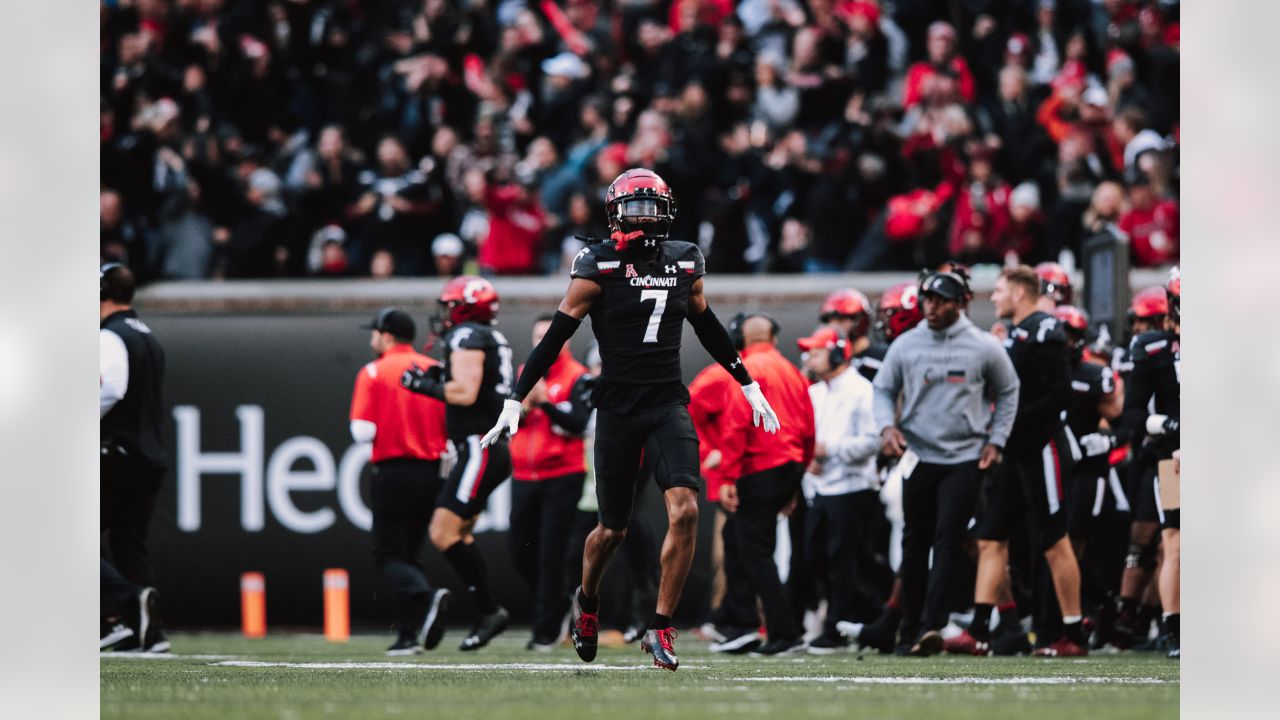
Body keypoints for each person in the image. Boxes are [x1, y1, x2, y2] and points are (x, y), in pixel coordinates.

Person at [479, 168, 782, 671]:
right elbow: (555, 337)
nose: (643, 218)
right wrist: (516, 398)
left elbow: (705, 323)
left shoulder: (685, 259)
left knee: (685, 510)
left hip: (667, 403)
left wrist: (747, 384)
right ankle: (588, 603)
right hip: (617, 409)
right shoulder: (596, 263)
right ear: (615, 213)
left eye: (651, 207)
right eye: (633, 208)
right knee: (611, 532)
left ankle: (659, 627)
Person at [871, 266, 1019, 656]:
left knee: (948, 540)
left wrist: (996, 439)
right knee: (914, 542)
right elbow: (883, 389)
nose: (931, 307)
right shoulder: (906, 344)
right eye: (927, 300)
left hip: (964, 457)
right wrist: (887, 427)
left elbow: (1008, 390)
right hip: (919, 454)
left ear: (960, 304)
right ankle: (908, 625)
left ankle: (931, 625)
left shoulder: (984, 345)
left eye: (940, 301)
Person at [959, 265, 1086, 657]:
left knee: (1053, 540)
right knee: (991, 537)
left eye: (999, 291)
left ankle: (1073, 633)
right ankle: (979, 630)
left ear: (1018, 293)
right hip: (1014, 450)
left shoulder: (1045, 329)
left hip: (1041, 447)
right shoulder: (1016, 333)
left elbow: (1061, 395)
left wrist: (1011, 422)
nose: (993, 298)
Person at [400, 276, 515, 651]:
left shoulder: (468, 336)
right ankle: (488, 610)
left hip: (477, 447)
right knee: (459, 534)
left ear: (466, 307)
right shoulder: (486, 336)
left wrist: (423, 385)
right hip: (484, 447)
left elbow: (465, 392)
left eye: (450, 305)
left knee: (442, 532)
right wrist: (438, 377)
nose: (444, 313)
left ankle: (489, 609)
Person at [349, 307, 452, 655]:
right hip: (431, 472)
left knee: (387, 556)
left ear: (387, 335)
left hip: (393, 470)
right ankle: (408, 635)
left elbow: (363, 432)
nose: (371, 339)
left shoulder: (374, 371)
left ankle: (425, 597)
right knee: (410, 554)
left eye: (375, 333)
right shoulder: (433, 369)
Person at [717, 313, 816, 656]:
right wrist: (796, 477)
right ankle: (779, 629)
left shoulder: (746, 370)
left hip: (759, 468)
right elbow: (808, 429)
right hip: (789, 467)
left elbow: (734, 426)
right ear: (773, 337)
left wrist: (727, 475)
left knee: (756, 554)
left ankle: (783, 632)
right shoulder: (792, 371)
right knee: (764, 552)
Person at [795, 326, 884, 653]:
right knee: (817, 557)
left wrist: (829, 450)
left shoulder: (863, 390)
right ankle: (873, 612)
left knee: (842, 560)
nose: (808, 359)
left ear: (835, 353)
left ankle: (837, 626)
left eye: (815, 352)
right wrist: (809, 460)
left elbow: (874, 440)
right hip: (820, 490)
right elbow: (807, 441)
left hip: (853, 488)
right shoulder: (816, 393)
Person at [100, 263, 170, 653]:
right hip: (149, 454)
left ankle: (119, 610)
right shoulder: (147, 336)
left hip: (118, 451)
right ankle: (147, 630)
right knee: (130, 543)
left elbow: (110, 388)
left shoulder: (111, 337)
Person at [508, 316, 589, 651]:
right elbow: (516, 419)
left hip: (563, 474)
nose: (544, 342)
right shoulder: (526, 371)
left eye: (549, 336)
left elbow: (579, 423)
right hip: (525, 474)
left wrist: (546, 405)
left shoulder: (578, 377)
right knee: (519, 551)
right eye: (538, 336)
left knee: (552, 553)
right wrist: (524, 410)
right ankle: (556, 606)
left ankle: (546, 627)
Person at [1116, 269, 1180, 658]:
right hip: (1174, 458)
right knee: (1175, 543)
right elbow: (1132, 416)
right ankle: (1174, 628)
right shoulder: (1154, 348)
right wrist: (1171, 426)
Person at [818, 288, 887, 381]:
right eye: (829, 321)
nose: (833, 327)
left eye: (841, 320)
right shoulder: (824, 361)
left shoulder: (884, 357)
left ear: (860, 321)